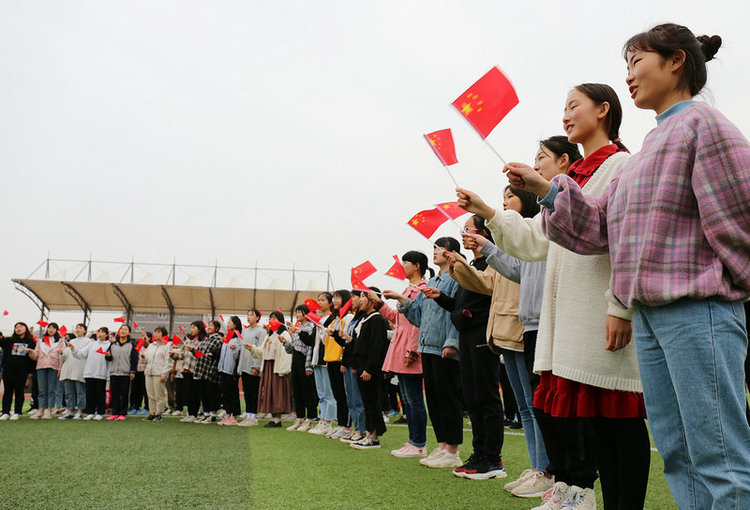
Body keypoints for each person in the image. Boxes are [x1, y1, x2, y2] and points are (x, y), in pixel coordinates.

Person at [508, 24, 750, 509]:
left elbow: (740, 214)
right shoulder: (645, 153)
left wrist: (728, 284)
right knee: (680, 453)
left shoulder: (704, 124)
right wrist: (548, 188)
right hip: (651, 319)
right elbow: (598, 229)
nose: (629, 77)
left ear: (676, 61)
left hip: (698, 309)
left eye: (637, 62)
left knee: (717, 454)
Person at [458, 84, 650, 510]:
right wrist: (490, 212)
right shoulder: (578, 176)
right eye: (563, 106)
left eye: (573, 105)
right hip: (571, 323)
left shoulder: (621, 166)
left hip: (600, 314)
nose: (565, 114)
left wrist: (619, 306)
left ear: (604, 111)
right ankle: (580, 493)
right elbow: (536, 242)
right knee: (590, 422)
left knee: (618, 421)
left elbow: (626, 241)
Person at [455, 183, 558, 496]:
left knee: (536, 405)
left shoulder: (536, 232)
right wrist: (460, 265)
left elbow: (509, 273)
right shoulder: (513, 240)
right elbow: (494, 280)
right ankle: (537, 466)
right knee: (527, 407)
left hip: (525, 327)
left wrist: (487, 247)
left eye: (510, 197)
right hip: (512, 329)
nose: (504, 202)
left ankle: (546, 470)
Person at [432, 215, 512, 480]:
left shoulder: (492, 262)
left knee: (486, 396)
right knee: (471, 396)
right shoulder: (474, 264)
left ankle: (492, 458)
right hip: (468, 335)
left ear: (484, 235)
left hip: (482, 335)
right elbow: (460, 306)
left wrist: (465, 311)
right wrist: (444, 299)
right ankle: (479, 454)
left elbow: (484, 297)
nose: (464, 235)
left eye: (468, 230)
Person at [385, 238, 463, 469]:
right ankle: (441, 447)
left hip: (444, 347)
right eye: (435, 248)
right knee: (435, 400)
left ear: (451, 253)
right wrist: (402, 301)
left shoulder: (456, 279)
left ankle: (453, 450)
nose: (435, 252)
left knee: (449, 399)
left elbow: (455, 312)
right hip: (427, 345)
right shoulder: (432, 281)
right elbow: (418, 316)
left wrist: (452, 341)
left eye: (439, 248)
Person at [374, 251, 430, 458]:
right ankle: (413, 441)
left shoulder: (422, 290)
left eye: (406, 262)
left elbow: (418, 322)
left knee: (414, 398)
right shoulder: (408, 289)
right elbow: (398, 319)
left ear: (417, 266)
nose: (402, 265)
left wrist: (412, 350)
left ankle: (419, 443)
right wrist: (379, 304)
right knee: (407, 398)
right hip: (401, 344)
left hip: (410, 347)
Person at [349, 287, 390, 449]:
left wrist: (369, 369)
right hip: (361, 366)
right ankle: (368, 433)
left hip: (369, 368)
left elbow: (377, 347)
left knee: (372, 401)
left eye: (363, 297)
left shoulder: (377, 319)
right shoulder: (365, 318)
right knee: (366, 401)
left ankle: (374, 436)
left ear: (372, 299)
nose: (359, 300)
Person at [250, 311, 292, 428]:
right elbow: (262, 351)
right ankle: (274, 418)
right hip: (268, 365)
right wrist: (252, 349)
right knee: (269, 392)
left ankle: (277, 419)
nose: (271, 321)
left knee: (276, 392)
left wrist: (283, 368)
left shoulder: (284, 333)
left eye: (274, 318)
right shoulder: (269, 335)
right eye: (270, 318)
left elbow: (287, 351)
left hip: (277, 367)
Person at [305, 293, 337, 435]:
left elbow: (329, 338)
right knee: (321, 392)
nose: (320, 302)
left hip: (327, 357)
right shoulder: (318, 319)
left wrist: (322, 327)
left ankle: (329, 421)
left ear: (330, 303)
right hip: (317, 357)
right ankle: (323, 419)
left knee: (328, 391)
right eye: (318, 300)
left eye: (323, 300)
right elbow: (314, 340)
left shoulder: (332, 319)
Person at [323, 289, 353, 439]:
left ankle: (346, 426)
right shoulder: (334, 319)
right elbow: (326, 341)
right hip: (331, 360)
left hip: (340, 360)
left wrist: (343, 359)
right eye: (333, 297)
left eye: (337, 297)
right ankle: (341, 425)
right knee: (337, 395)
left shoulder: (348, 318)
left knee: (343, 395)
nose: (334, 300)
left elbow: (346, 340)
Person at [285, 305, 319, 432]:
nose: (298, 314)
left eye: (300, 312)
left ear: (306, 314)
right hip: (295, 359)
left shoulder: (310, 327)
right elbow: (292, 348)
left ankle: (310, 418)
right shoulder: (297, 327)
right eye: (297, 312)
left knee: (308, 391)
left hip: (305, 360)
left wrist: (308, 366)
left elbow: (310, 346)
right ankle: (299, 417)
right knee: (297, 390)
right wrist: (285, 342)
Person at [70, 327, 111, 420]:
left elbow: (110, 359)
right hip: (89, 372)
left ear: (106, 334)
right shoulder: (92, 344)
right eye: (98, 332)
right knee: (89, 393)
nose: (100, 334)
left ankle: (100, 412)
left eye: (102, 332)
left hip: (101, 373)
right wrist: (73, 348)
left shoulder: (109, 345)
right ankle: (90, 412)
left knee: (100, 394)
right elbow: (81, 354)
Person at [28, 322, 66, 420]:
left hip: (53, 367)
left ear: (56, 330)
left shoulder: (60, 342)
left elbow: (63, 356)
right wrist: (31, 353)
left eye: (53, 328)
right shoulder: (41, 341)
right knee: (42, 390)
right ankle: (40, 410)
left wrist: (60, 369)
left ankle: (49, 410)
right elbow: (36, 355)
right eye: (49, 328)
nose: (51, 330)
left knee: (51, 390)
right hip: (41, 366)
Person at [0, 322, 36, 420]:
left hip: (22, 371)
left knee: (19, 391)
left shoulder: (31, 342)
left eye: (21, 327)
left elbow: (32, 358)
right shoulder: (9, 340)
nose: (18, 329)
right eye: (16, 327)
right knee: (7, 391)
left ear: (26, 329)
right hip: (8, 369)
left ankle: (17, 412)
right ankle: (5, 412)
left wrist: (30, 371)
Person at [190, 320, 223, 424]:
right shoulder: (205, 340)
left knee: (211, 394)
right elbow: (199, 353)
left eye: (211, 326)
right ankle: (206, 415)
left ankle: (212, 416)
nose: (208, 327)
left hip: (210, 370)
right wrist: (192, 350)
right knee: (203, 394)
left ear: (217, 329)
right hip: (201, 370)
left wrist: (203, 354)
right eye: (208, 325)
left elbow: (213, 354)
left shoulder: (217, 340)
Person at [104, 325, 138, 421]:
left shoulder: (132, 344)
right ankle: (115, 412)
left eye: (125, 329)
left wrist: (132, 371)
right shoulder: (113, 344)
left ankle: (123, 413)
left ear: (129, 332)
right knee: (114, 393)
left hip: (125, 373)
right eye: (121, 329)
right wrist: (108, 355)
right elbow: (108, 358)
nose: (123, 331)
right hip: (114, 372)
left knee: (124, 393)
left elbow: (134, 359)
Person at [237, 309, 264, 426]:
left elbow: (260, 349)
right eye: (247, 315)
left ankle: (253, 417)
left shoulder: (261, 331)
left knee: (253, 392)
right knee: (247, 392)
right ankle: (248, 415)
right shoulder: (244, 331)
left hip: (253, 366)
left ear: (257, 317)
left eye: (251, 315)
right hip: (244, 365)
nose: (249, 317)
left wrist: (256, 366)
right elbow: (241, 348)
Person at [58, 323, 90, 420]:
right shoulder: (71, 341)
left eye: (80, 327)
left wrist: (73, 348)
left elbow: (83, 354)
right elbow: (65, 356)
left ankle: (80, 411)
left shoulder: (88, 342)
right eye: (76, 328)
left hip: (80, 368)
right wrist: (61, 353)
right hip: (68, 368)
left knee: (80, 392)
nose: (78, 329)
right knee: (69, 392)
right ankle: (69, 410)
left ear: (85, 331)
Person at [175, 322, 203, 423]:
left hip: (195, 370)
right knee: (188, 393)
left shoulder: (202, 341)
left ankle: (194, 414)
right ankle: (190, 413)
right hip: (186, 370)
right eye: (191, 327)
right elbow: (181, 354)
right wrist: (172, 354)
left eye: (194, 327)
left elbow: (201, 354)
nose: (191, 329)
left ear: (199, 329)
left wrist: (193, 350)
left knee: (194, 394)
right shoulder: (188, 341)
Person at [142, 326, 171, 422]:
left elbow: (168, 361)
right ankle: (151, 412)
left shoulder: (167, 346)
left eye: (159, 332)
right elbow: (145, 361)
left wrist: (164, 374)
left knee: (159, 395)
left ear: (163, 334)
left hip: (159, 373)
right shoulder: (151, 346)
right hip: (148, 373)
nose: (156, 334)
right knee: (150, 394)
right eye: (155, 332)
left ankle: (159, 413)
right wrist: (143, 357)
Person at [217, 316, 242, 426]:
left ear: (235, 325)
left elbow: (239, 354)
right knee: (225, 393)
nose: (228, 324)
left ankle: (234, 416)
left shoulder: (238, 338)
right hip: (222, 369)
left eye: (230, 322)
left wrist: (235, 348)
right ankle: (227, 415)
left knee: (233, 393)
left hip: (231, 370)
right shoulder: (226, 338)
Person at [129, 331, 150, 416]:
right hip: (137, 370)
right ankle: (136, 407)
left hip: (145, 371)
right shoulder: (138, 346)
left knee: (145, 390)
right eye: (142, 338)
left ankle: (146, 408)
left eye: (146, 337)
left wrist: (145, 340)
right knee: (136, 390)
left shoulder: (150, 347)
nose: (143, 339)